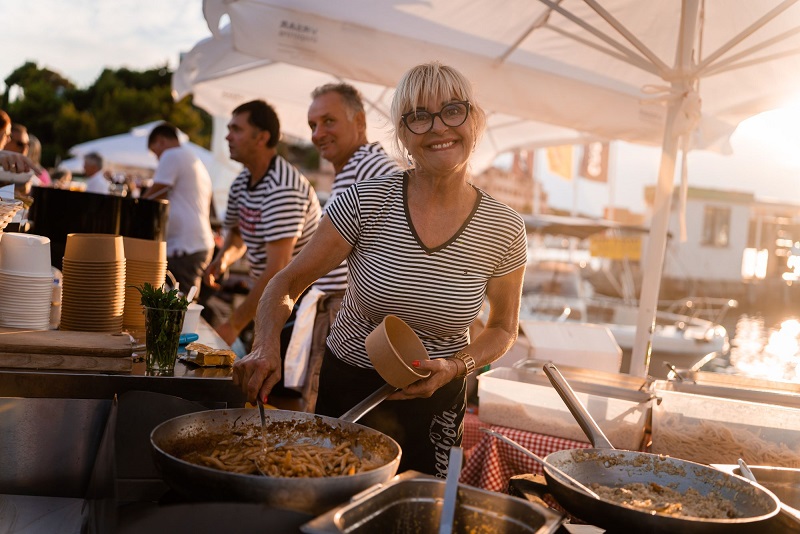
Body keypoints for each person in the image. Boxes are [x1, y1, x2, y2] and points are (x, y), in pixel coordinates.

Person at [232, 62, 528, 476]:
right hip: (350, 386)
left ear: (474, 120)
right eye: (419, 117)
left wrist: (457, 367)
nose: (439, 128)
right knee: (333, 506)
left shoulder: (504, 228)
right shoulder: (365, 200)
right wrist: (266, 344)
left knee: (420, 516)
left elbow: (502, 328)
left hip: (437, 400)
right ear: (403, 134)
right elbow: (286, 281)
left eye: (452, 111)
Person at [292, 83, 400, 412]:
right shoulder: (354, 168)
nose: (317, 133)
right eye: (313, 125)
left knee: (330, 422)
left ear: (360, 123)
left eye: (328, 121)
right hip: (339, 308)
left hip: (350, 313)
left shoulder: (372, 169)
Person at [204, 99, 321, 348]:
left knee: (270, 380)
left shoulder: (283, 187)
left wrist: (234, 325)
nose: (227, 137)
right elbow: (237, 235)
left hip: (298, 302)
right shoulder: (241, 182)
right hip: (272, 294)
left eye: (236, 129)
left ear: (262, 137)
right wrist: (223, 259)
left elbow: (276, 270)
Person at [143, 122, 215, 299]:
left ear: (161, 141)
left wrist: (136, 205)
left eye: (155, 153)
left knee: (180, 307)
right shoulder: (193, 158)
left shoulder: (172, 154)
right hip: (196, 243)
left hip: (185, 246)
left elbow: (154, 196)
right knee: (185, 303)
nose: (158, 159)